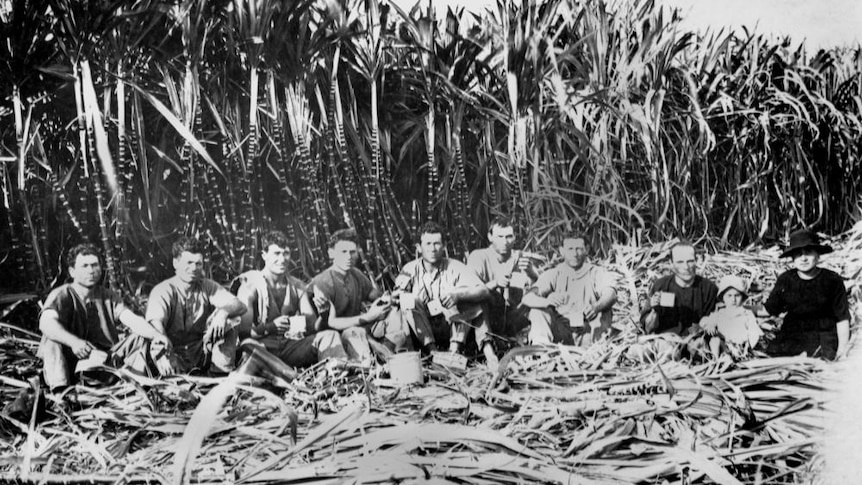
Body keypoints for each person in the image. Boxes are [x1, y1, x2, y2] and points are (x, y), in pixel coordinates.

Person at [38, 244, 170, 391]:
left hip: (103, 359)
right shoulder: (62, 294)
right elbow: (45, 323)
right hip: (71, 361)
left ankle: (132, 385)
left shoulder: (108, 296)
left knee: (141, 337)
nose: (91, 270)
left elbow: (131, 319)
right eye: (85, 266)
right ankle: (61, 393)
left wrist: (157, 335)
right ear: (72, 271)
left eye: (95, 265)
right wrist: (74, 342)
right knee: (51, 338)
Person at [235, 230, 347, 368]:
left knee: (330, 336)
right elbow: (243, 334)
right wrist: (270, 327)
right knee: (249, 346)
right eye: (276, 253)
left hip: (290, 347)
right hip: (263, 349)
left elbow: (312, 329)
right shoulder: (250, 286)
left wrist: (323, 315)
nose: (282, 259)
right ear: (264, 256)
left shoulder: (297, 286)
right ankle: (278, 374)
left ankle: (339, 371)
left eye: (286, 253)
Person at [394, 222, 496, 365]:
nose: (432, 249)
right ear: (419, 247)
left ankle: (453, 352)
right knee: (407, 299)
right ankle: (432, 352)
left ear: (444, 246)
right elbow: (397, 296)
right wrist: (399, 297)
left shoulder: (455, 266)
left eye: (437, 244)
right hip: (422, 331)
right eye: (428, 244)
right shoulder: (410, 269)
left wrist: (458, 295)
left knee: (465, 295)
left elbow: (483, 290)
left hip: (449, 326)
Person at [145, 237, 247, 375]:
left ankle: (220, 374)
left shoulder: (206, 286)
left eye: (198, 264)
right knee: (157, 344)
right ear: (176, 263)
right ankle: (173, 381)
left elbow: (240, 305)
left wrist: (223, 313)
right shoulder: (163, 290)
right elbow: (156, 328)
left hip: (200, 351)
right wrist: (167, 354)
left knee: (232, 320)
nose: (194, 268)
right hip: (173, 351)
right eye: (189, 262)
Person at [309, 229, 409, 362]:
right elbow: (332, 323)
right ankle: (377, 357)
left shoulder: (355, 274)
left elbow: (375, 295)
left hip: (360, 328)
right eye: (343, 252)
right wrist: (368, 316)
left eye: (352, 252)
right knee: (354, 334)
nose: (348, 257)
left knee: (396, 312)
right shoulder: (323, 282)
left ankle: (389, 350)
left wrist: (390, 298)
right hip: (338, 337)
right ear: (331, 253)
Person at [763, 229, 850, 360]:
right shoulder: (786, 280)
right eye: (798, 254)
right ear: (792, 258)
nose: (803, 258)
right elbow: (769, 309)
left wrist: (842, 350)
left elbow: (842, 318)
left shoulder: (832, 280)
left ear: (818, 255)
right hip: (792, 336)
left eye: (808, 252)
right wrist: (737, 307)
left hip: (823, 338)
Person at [522, 234, 617, 346]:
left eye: (579, 249)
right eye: (570, 249)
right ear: (562, 251)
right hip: (562, 333)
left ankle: (597, 350)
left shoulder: (596, 273)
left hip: (590, 332)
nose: (574, 254)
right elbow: (527, 298)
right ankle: (541, 350)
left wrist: (596, 307)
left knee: (605, 310)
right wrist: (547, 302)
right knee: (537, 311)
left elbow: (611, 293)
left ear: (586, 249)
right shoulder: (554, 274)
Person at [466, 217, 539, 345]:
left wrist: (531, 273)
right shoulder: (478, 257)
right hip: (487, 316)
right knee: (482, 298)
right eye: (500, 237)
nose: (505, 242)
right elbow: (470, 292)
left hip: (514, 317)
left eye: (509, 236)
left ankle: (536, 342)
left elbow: (540, 286)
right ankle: (488, 348)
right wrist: (495, 283)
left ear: (515, 237)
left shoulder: (520, 257)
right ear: (490, 236)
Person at [641, 242, 719, 335]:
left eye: (690, 261)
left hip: (697, 342)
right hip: (666, 342)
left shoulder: (709, 289)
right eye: (680, 262)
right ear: (671, 264)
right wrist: (654, 311)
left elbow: (718, 322)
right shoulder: (660, 286)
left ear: (696, 261)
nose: (686, 267)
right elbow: (648, 329)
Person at [699, 275, 763, 359]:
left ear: (742, 297)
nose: (733, 300)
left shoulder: (746, 313)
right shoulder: (719, 313)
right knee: (715, 341)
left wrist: (749, 346)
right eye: (729, 296)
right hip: (725, 347)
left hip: (741, 347)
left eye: (737, 296)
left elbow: (753, 331)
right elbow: (705, 322)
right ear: (723, 298)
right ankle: (716, 360)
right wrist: (710, 326)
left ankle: (739, 357)